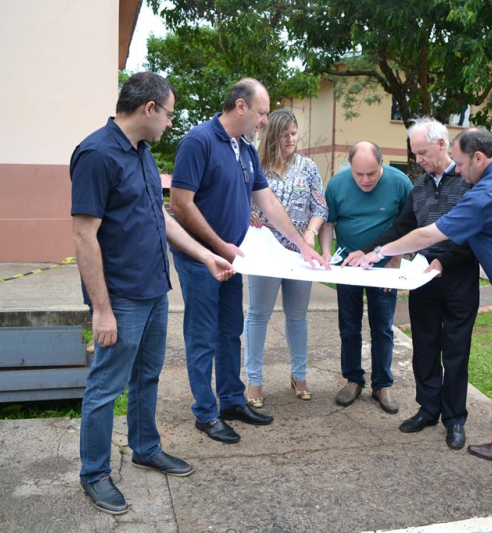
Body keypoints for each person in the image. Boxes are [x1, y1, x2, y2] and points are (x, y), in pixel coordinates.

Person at [70, 72, 237, 515]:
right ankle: (95, 473)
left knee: (147, 375)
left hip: (154, 290)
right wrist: (101, 310)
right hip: (121, 297)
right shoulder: (96, 154)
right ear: (149, 108)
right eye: (168, 113)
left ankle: (145, 447)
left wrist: (205, 255)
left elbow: (160, 218)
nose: (169, 122)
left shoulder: (142, 154)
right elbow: (84, 236)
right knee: (106, 386)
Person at [356, 127, 492, 461]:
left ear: (479, 157)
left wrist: (379, 253)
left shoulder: (482, 195)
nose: (457, 170)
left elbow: (426, 236)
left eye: (459, 164)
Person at [170, 79, 328, 444]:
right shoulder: (198, 141)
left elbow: (267, 201)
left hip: (233, 258)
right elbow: (180, 204)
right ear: (240, 106)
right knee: (202, 336)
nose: (265, 121)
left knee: (230, 331)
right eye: (261, 112)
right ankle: (206, 414)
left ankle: (231, 401)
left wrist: (301, 245)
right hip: (201, 258)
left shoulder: (245, 148)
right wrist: (218, 246)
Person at [343, 118, 478, 449]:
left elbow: (476, 232)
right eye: (415, 153)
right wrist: (368, 251)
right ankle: (428, 409)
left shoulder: (468, 181)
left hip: (458, 278)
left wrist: (444, 261)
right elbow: (401, 229)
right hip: (422, 278)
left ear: (442, 145)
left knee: (456, 352)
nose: (418, 159)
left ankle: (454, 419)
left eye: (422, 153)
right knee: (425, 348)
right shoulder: (419, 187)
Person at [319, 142, 413, 414]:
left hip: (383, 268)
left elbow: (408, 225)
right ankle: (353, 380)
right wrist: (326, 252)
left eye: (371, 173)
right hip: (347, 266)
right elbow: (328, 223)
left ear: (381, 163)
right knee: (349, 326)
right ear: (350, 167)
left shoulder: (400, 183)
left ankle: (382, 384)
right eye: (358, 174)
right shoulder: (337, 185)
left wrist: (394, 263)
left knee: (382, 327)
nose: (365, 180)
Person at [243, 109, 328, 407]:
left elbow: (320, 208)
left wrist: (311, 233)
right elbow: (239, 199)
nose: (291, 139)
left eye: (294, 133)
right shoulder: (255, 166)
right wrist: (247, 213)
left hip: (299, 254)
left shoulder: (307, 167)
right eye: (285, 134)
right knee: (258, 315)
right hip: (265, 253)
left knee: (297, 316)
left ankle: (299, 375)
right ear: (272, 136)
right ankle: (254, 380)